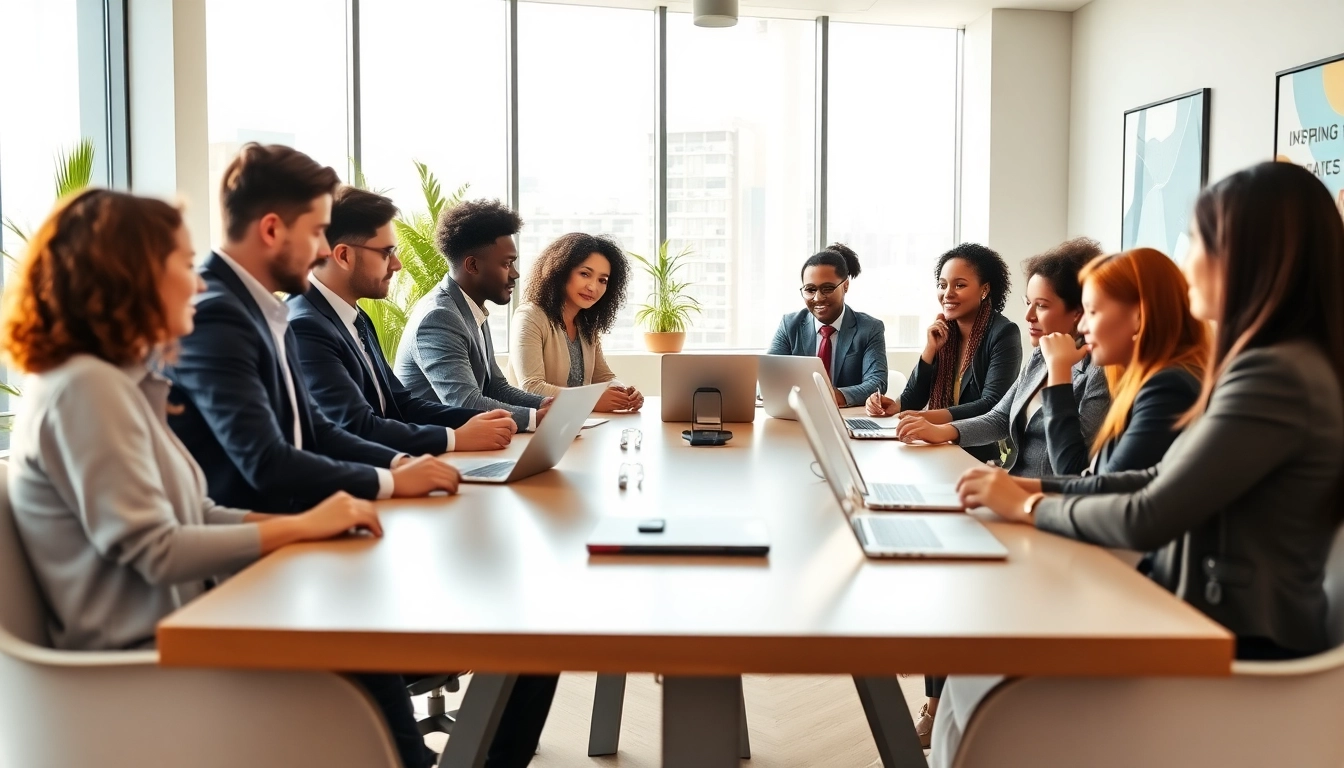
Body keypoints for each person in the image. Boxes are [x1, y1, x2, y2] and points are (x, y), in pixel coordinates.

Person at [0, 189, 426, 767]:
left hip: (189, 627)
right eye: (183, 265)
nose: (198, 286)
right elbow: (156, 549)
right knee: (360, 656)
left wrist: (307, 526)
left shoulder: (117, 383)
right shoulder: (85, 389)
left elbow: (195, 512)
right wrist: (300, 528)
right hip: (143, 667)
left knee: (360, 638)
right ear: (128, 277)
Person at [945, 161, 1344, 767]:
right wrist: (1032, 488)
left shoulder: (1275, 376)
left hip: (1233, 647)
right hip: (1199, 620)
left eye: (1198, 239)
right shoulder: (1268, 364)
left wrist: (1029, 508)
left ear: (1248, 254)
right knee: (975, 668)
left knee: (985, 683)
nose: (1186, 259)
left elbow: (1149, 515)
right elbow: (1158, 479)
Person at [165, 144, 460, 514]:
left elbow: (315, 430)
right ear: (272, 229)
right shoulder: (214, 315)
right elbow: (266, 462)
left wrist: (399, 464)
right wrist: (390, 481)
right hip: (261, 538)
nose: (324, 250)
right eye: (318, 232)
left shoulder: (264, 308)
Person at [895, 238, 1111, 744]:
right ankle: (940, 702)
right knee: (940, 549)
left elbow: (1072, 463)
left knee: (953, 565)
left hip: (1044, 509)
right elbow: (997, 417)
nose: (1029, 317)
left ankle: (955, 706)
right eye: (1029, 303)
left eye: (1042, 305)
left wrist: (1060, 376)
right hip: (1012, 495)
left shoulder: (1097, 373)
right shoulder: (1040, 356)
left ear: (1079, 311)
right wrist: (943, 430)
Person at [289, 185, 518, 454]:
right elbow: (357, 427)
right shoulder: (305, 327)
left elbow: (401, 405)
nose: (397, 264)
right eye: (386, 252)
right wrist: (454, 438)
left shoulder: (355, 317)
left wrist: (484, 421)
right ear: (344, 255)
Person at [1033, 247, 1207, 479]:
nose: (1082, 327)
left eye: (1092, 312)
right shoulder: (1141, 383)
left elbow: (1076, 473)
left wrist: (1058, 370)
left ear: (1139, 316)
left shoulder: (1169, 388)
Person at [395, 199, 550, 432]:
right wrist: (534, 418)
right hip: (432, 446)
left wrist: (545, 404)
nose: (515, 274)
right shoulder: (438, 318)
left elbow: (495, 387)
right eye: (507, 264)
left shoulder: (470, 307)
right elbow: (465, 403)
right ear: (473, 266)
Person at [865, 243, 1021, 464]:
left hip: (977, 455)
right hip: (935, 448)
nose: (947, 294)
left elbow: (992, 404)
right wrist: (930, 350)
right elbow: (913, 400)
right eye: (942, 285)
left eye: (959, 285)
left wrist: (928, 418)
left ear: (984, 290)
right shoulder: (946, 331)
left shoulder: (1004, 333)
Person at [508, 232, 644, 412]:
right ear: (561, 271)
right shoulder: (530, 316)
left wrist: (625, 393)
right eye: (585, 274)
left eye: (602, 280)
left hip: (576, 422)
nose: (593, 287)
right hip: (536, 423)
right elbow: (531, 388)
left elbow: (604, 377)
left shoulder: (586, 324)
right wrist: (591, 401)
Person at [767, 243, 887, 406]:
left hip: (846, 416)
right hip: (799, 413)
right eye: (810, 289)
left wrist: (830, 397)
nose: (818, 298)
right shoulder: (790, 325)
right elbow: (768, 378)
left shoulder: (869, 328)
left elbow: (877, 383)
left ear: (845, 286)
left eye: (828, 288)